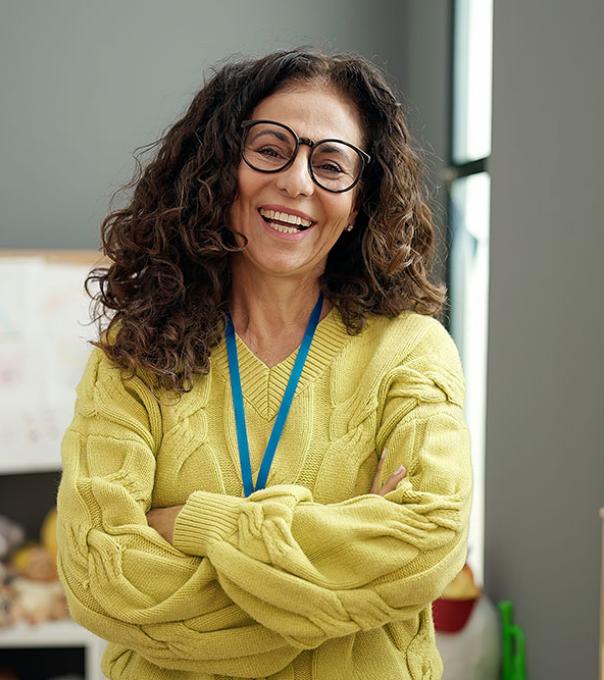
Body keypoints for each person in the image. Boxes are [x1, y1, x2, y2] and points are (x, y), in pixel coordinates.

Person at [56, 47, 473, 680]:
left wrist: (196, 524)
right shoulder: (135, 352)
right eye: (271, 150)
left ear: (360, 202)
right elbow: (100, 575)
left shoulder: (410, 350)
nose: (299, 183)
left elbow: (427, 542)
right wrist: (337, 588)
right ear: (220, 168)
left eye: (331, 164)